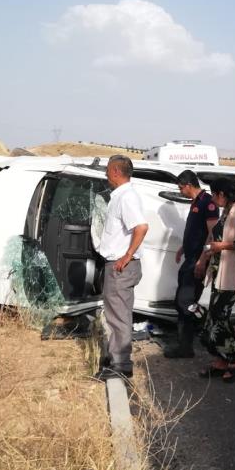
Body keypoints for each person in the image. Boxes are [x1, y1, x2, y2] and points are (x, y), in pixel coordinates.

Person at [195, 178, 235, 383]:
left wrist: (222, 246)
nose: (213, 198)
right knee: (213, 317)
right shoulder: (226, 211)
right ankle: (221, 359)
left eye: (214, 194)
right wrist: (205, 258)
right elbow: (214, 237)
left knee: (220, 316)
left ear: (222, 193)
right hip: (220, 272)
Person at [94, 155, 148, 381]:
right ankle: (117, 357)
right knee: (118, 314)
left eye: (108, 170)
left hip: (121, 267)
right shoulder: (121, 196)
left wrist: (126, 256)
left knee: (119, 317)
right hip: (119, 266)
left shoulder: (126, 197)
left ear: (116, 171)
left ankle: (121, 364)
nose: (106, 174)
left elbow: (141, 227)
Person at [166, 170, 219, 359]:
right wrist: (183, 247)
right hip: (190, 258)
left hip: (198, 260)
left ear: (188, 185)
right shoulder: (196, 202)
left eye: (181, 188)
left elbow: (213, 234)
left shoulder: (208, 202)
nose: (180, 191)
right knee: (182, 302)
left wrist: (202, 260)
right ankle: (185, 345)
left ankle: (204, 321)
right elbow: (196, 231)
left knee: (185, 302)